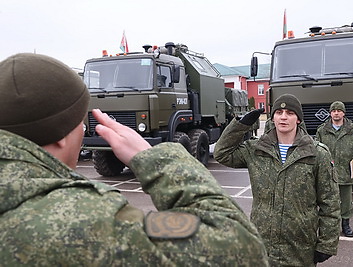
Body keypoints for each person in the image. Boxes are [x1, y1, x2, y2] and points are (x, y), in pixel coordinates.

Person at [0, 53, 269, 266]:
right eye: (79, 123)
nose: (84, 129)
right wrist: (151, 157)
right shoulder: (83, 219)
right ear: (61, 134)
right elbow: (239, 248)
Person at [214, 94, 341, 266]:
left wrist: (326, 244)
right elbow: (222, 153)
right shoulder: (256, 149)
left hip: (300, 246)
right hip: (262, 243)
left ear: (298, 119)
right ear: (272, 117)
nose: (283, 117)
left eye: (289, 113)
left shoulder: (317, 153)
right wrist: (240, 125)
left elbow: (330, 203)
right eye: (279, 112)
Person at [316, 101, 353, 237]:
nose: (336, 113)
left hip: (345, 171)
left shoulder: (352, 130)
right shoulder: (322, 130)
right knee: (326, 201)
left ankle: (346, 225)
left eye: (339, 110)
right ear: (330, 113)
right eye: (333, 111)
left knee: (346, 202)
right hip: (327, 173)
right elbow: (317, 151)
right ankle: (328, 227)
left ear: (344, 113)